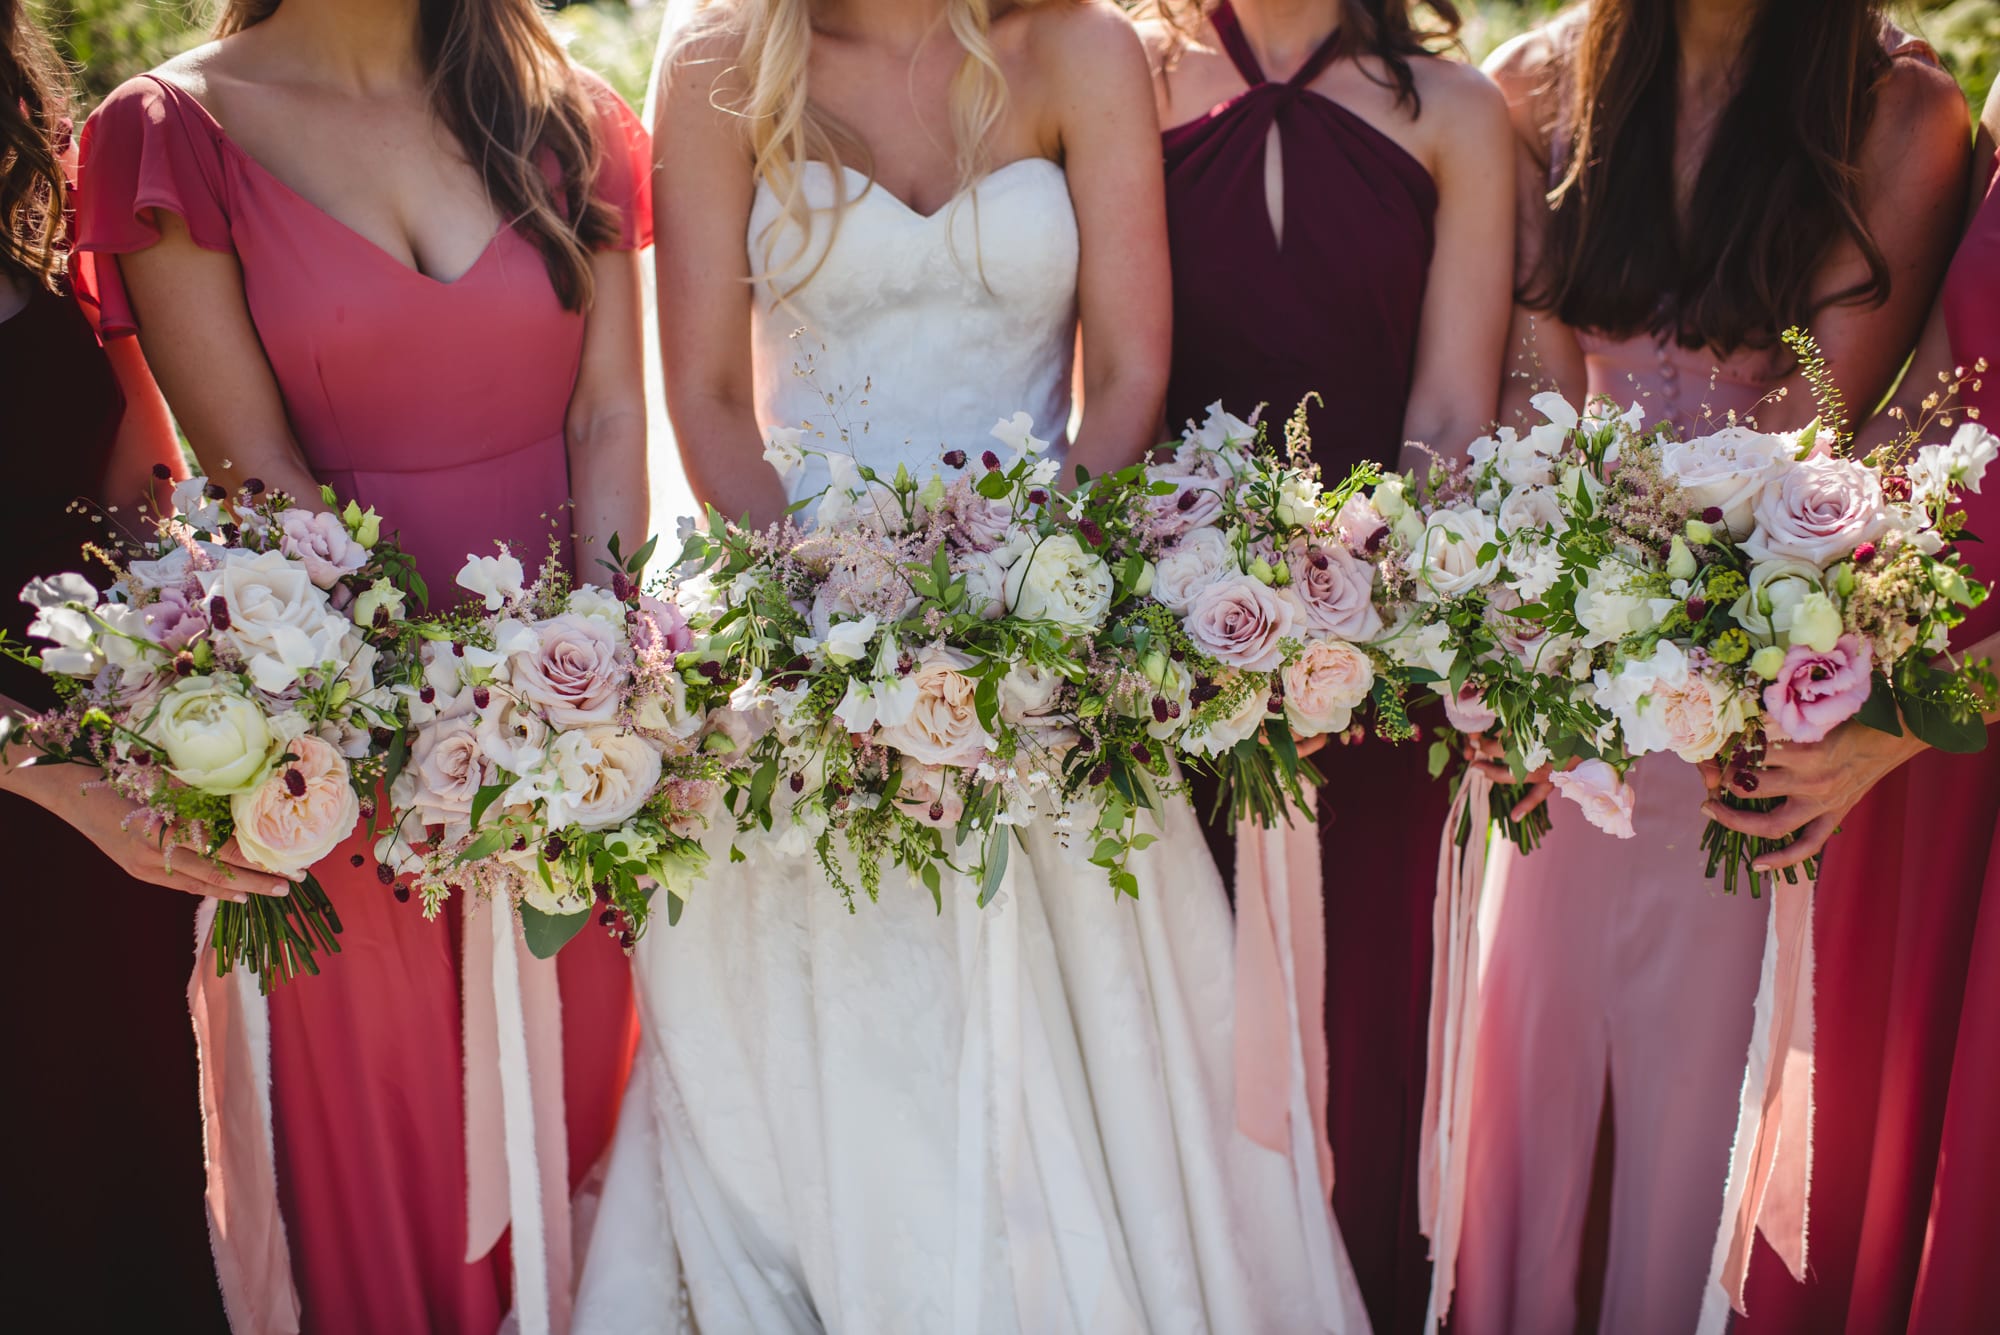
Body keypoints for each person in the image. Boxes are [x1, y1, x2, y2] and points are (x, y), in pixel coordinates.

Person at [569, 0, 1369, 1329]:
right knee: (858, 1076)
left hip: (1048, 658)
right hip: (811, 648)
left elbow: (1122, 371)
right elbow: (704, 393)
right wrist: (824, 621)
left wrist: (1040, 611)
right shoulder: (718, 57)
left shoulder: (1085, 51)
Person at [71, 0, 653, 1323]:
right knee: (401, 1194)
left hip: (568, 758)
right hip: (343, 752)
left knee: (592, 1139)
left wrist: (592, 680)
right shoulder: (165, 137)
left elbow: (610, 413)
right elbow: (251, 467)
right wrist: (423, 719)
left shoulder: (576, 118)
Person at [1453, 3, 1969, 1331]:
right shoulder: (1530, 88)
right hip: (1566, 695)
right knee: (1526, 1091)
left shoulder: (1900, 118)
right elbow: (1533, 385)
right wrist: (1534, 635)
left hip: (1745, 712)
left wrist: (1627, 598)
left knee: (1700, 1122)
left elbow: (1812, 431)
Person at [1142, 1, 1512, 1328]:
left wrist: (1349, 616)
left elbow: (1452, 413)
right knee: (1188, 1027)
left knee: (1367, 1033)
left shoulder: (1460, 112)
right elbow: (1110, 381)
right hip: (1167, 656)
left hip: (1384, 659)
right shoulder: (1126, 77)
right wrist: (1199, 629)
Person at [1710, 75, 2000, 1333]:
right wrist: (1789, 598)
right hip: (1911, 666)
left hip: (1940, 722)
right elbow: (1942, 374)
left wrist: (1915, 720)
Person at [0, 2, 242, 1324]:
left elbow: (143, 490)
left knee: (128, 1170)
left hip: (105, 810)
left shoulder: (30, 235)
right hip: (37, 792)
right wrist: (50, 775)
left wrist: (216, 674)